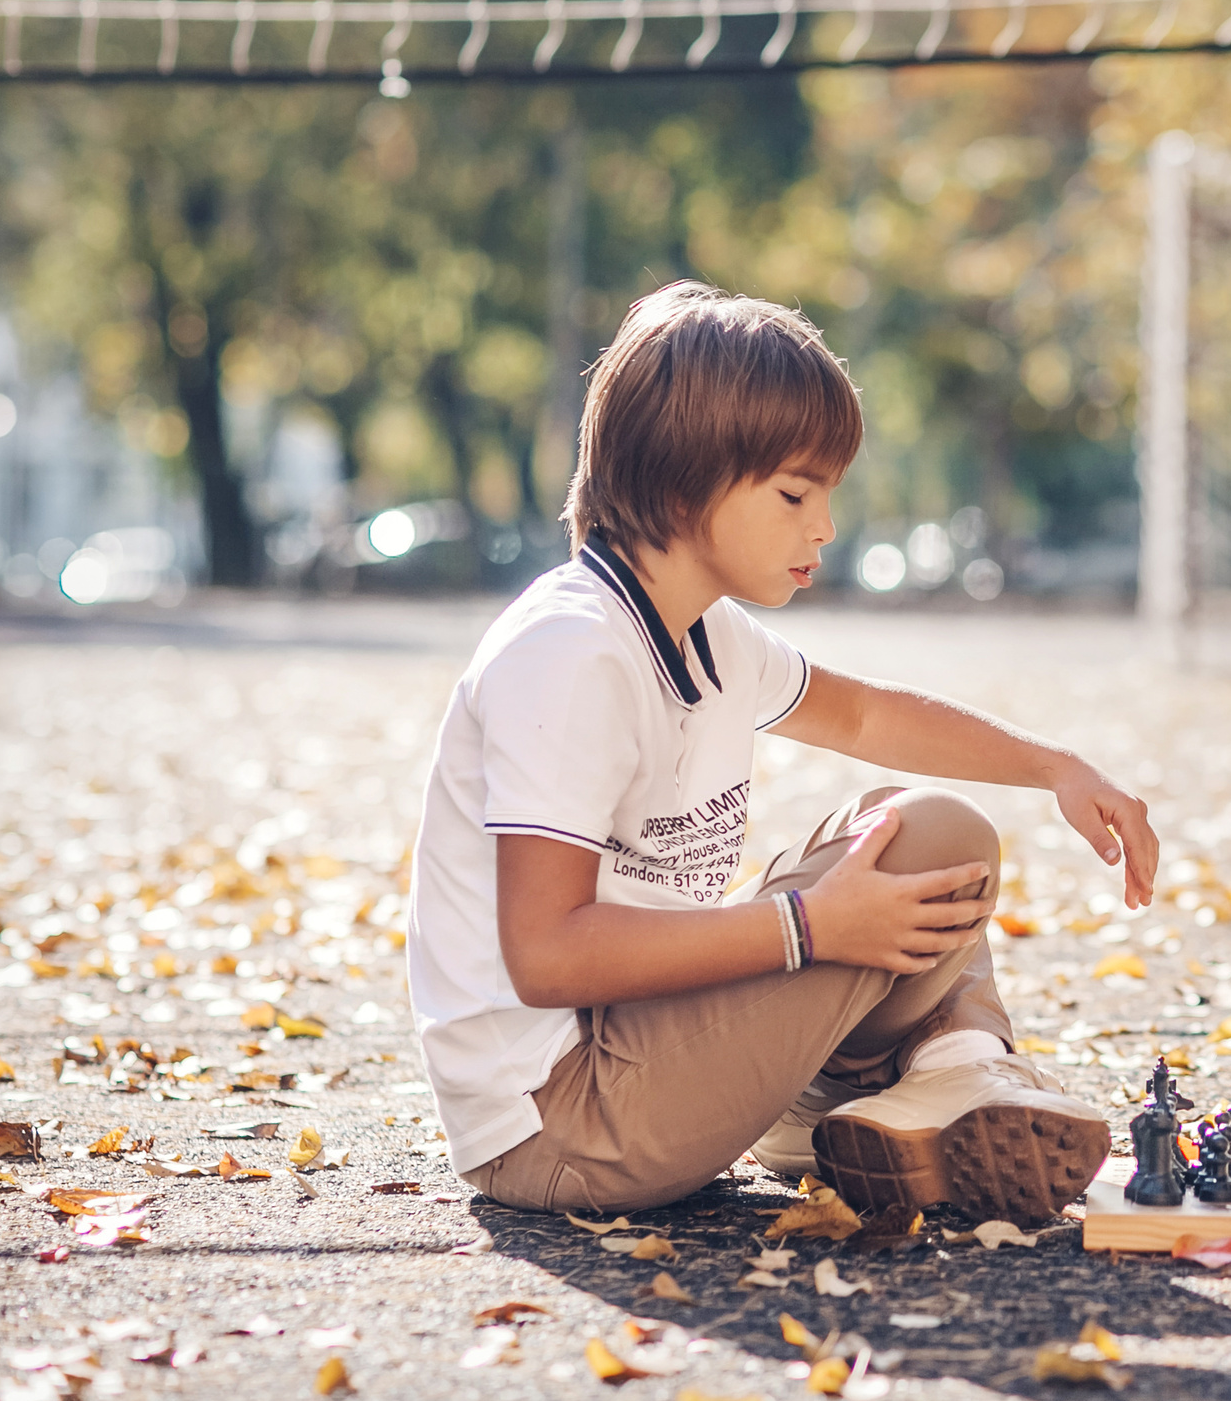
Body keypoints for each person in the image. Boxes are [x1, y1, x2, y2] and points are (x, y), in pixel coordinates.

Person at [407, 281, 1157, 1223]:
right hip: (564, 1123)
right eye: (796, 493)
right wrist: (810, 926)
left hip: (647, 1056)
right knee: (923, 847)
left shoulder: (706, 632)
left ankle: (893, 1087)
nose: (824, 528)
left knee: (921, 831)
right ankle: (945, 1072)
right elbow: (546, 955)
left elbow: (866, 720)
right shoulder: (570, 650)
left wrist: (1057, 766)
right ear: (685, 482)